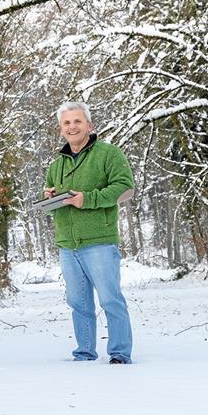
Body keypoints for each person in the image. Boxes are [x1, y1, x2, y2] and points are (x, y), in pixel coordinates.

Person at [43, 102, 135, 364]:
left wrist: (88, 199)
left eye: (77, 121)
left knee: (110, 300)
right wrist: (49, 198)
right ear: (61, 130)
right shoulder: (56, 165)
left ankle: (119, 353)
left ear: (89, 126)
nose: (72, 127)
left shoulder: (108, 154)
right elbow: (54, 205)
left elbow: (124, 187)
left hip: (99, 242)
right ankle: (84, 353)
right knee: (78, 303)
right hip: (67, 244)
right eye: (67, 123)